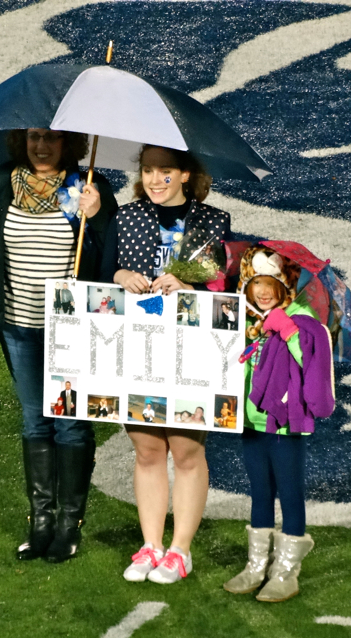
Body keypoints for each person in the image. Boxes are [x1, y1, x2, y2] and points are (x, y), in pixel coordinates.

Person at [0, 127, 118, 563]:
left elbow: (112, 254)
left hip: (72, 328)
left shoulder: (90, 186)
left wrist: (99, 215)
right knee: (35, 421)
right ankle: (41, 523)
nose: (41, 146)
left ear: (69, 143)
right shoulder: (0, 183)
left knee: (69, 423)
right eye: (35, 136)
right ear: (23, 139)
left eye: (52, 138)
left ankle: (69, 524)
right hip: (18, 326)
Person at [101, 144, 230, 584]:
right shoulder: (125, 217)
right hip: (137, 349)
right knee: (148, 450)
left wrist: (191, 285)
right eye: (148, 170)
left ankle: (180, 551)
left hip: (190, 351)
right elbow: (100, 272)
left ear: (186, 175)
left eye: (166, 171)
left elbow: (224, 285)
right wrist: (120, 276)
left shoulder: (214, 221)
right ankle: (151, 545)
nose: (155, 180)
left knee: (187, 451)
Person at [223, 244, 334, 602]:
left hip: (286, 425)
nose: (263, 291)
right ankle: (257, 566)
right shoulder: (244, 317)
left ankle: (286, 572)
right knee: (259, 492)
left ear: (285, 285)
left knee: (289, 493)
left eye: (271, 283)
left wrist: (287, 330)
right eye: (256, 283)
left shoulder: (302, 319)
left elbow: (312, 362)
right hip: (251, 421)